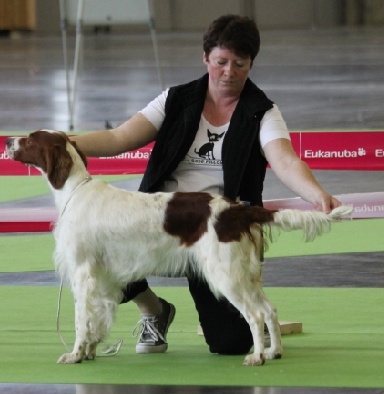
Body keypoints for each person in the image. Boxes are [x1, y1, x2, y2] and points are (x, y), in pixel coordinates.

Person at [71, 14, 341, 356]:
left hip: (215, 228)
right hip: (159, 221)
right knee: (104, 250)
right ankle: (153, 310)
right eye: (221, 62)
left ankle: (244, 323)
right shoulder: (175, 100)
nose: (229, 72)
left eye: (239, 64)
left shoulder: (262, 112)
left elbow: (286, 161)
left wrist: (316, 193)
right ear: (205, 58)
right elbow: (118, 137)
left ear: (251, 64)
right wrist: (65, 144)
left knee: (230, 343)